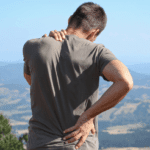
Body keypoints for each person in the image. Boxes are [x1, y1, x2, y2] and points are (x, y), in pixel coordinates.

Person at [23, 2, 133, 150]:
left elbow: (31, 80)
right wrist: (88, 116)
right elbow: (125, 81)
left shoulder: (32, 46)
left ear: (69, 20)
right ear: (94, 32)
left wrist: (44, 42)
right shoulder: (96, 52)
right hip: (79, 144)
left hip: (40, 144)